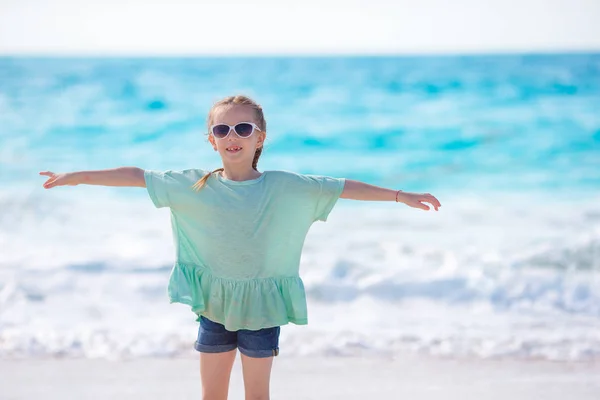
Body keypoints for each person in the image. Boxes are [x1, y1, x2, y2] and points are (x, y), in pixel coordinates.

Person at [39, 94, 441, 400]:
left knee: (257, 396)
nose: (233, 137)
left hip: (263, 308)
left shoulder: (285, 187)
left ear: (259, 137)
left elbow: (341, 187)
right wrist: (77, 176)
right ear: (211, 140)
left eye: (243, 129)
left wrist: (399, 195)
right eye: (222, 130)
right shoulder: (192, 184)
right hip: (214, 306)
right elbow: (136, 175)